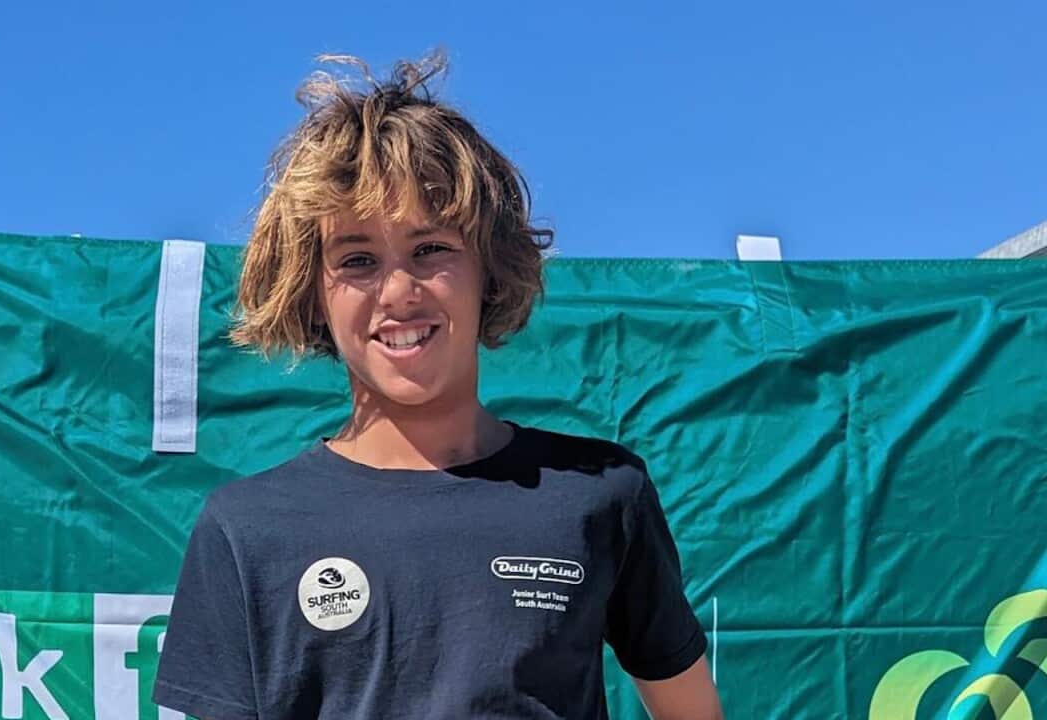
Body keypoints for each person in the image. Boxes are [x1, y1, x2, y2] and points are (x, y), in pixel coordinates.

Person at [152, 50, 724, 720]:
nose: (399, 291)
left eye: (431, 250)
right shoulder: (245, 530)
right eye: (358, 260)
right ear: (312, 296)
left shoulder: (602, 494)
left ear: (491, 269)